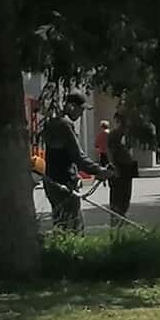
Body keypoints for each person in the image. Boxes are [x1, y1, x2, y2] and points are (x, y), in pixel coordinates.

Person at [42, 92, 111, 232]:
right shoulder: (65, 125)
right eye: (81, 109)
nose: (81, 114)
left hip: (52, 181)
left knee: (61, 224)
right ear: (70, 106)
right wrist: (99, 170)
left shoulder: (51, 122)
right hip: (64, 182)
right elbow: (78, 157)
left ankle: (61, 251)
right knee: (73, 227)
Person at [106, 112, 138, 227]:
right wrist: (113, 166)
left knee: (126, 195)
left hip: (128, 166)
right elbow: (109, 151)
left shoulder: (128, 134)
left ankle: (122, 217)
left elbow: (130, 149)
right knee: (117, 196)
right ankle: (116, 220)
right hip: (119, 166)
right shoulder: (113, 134)